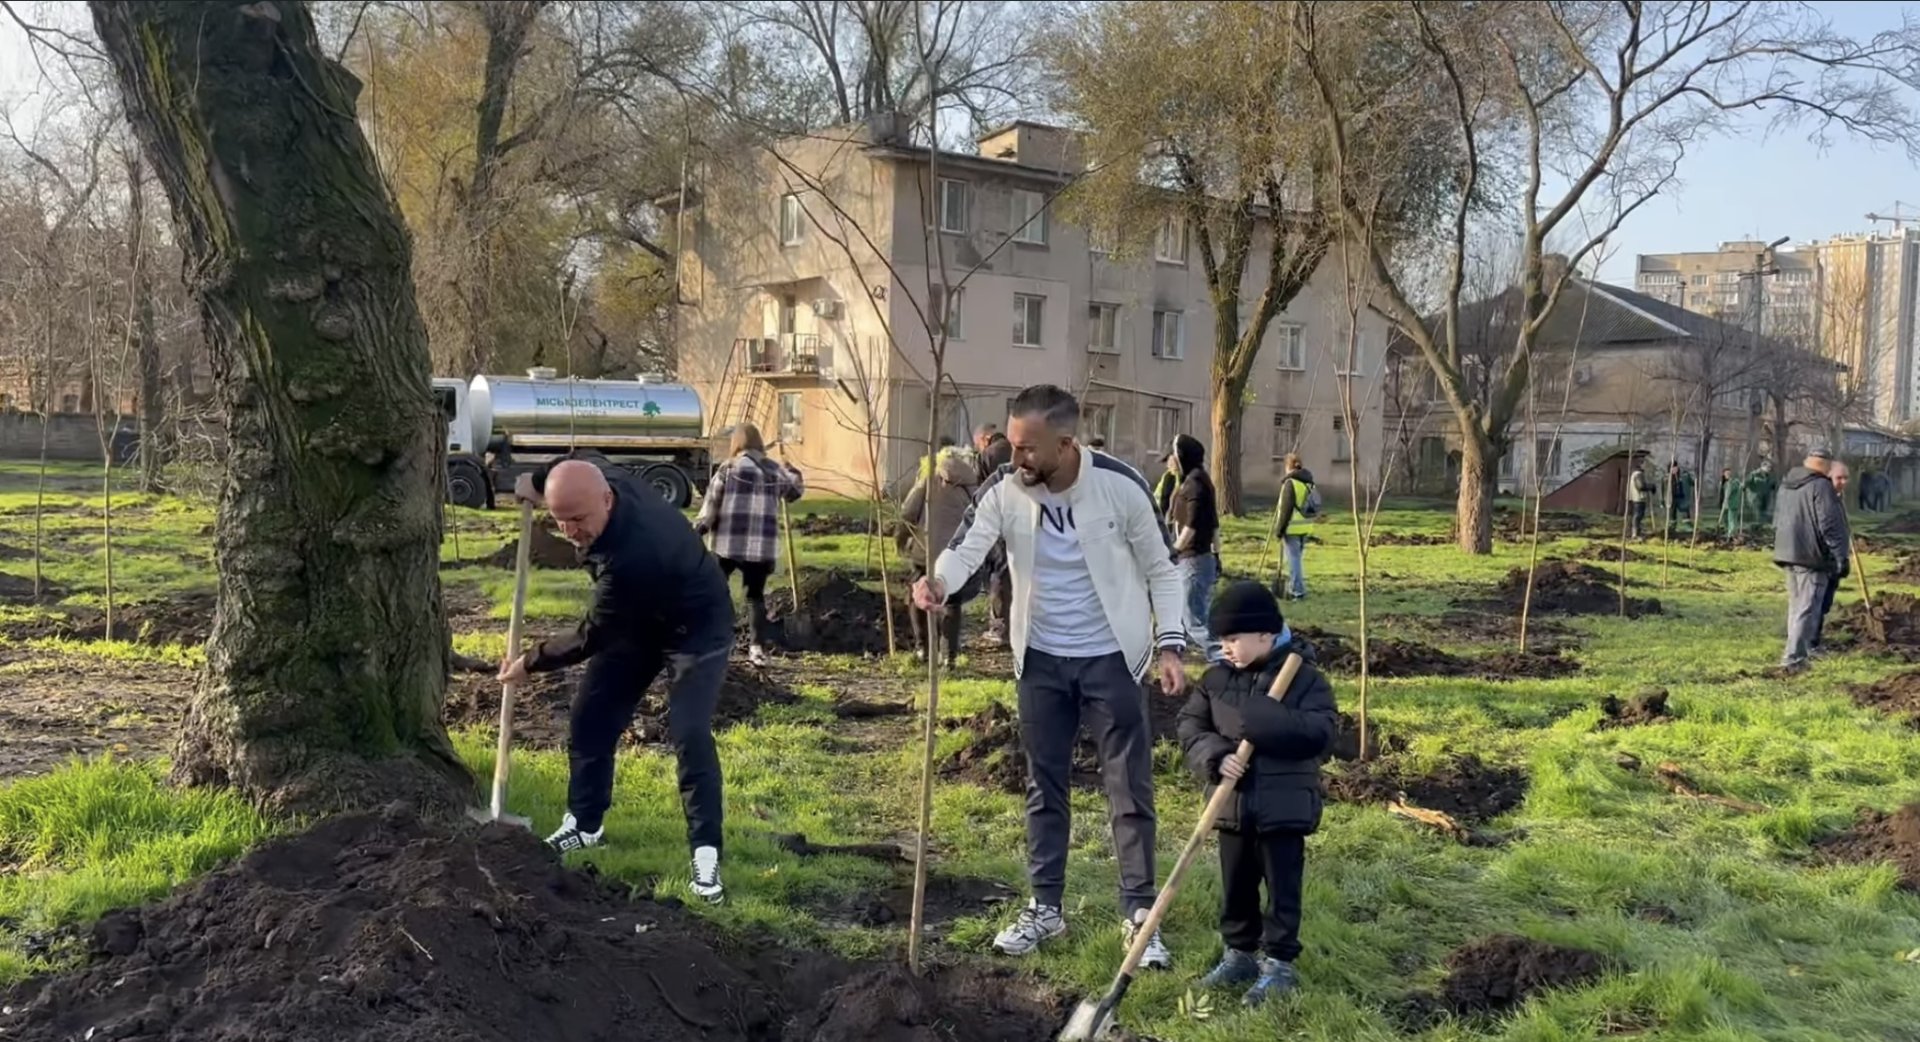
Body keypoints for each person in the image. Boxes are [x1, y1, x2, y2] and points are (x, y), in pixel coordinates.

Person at [913, 384, 1188, 967]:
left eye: (1028, 449)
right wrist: (939, 582)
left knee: (1127, 787)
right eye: (1011, 447)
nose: (1015, 460)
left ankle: (1140, 916)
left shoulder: (1120, 486)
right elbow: (968, 548)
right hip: (1038, 659)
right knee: (1045, 786)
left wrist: (1169, 645)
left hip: (1113, 657)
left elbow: (1163, 568)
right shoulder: (1004, 488)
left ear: (1066, 444)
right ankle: (1045, 908)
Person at [499, 460, 733, 902]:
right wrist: (532, 482)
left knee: (689, 732)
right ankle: (585, 825)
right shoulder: (604, 476)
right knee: (592, 717)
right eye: (560, 520)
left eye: (579, 520)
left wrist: (530, 662)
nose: (569, 532)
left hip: (696, 626)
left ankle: (706, 855)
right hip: (636, 624)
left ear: (607, 500)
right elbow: (569, 463)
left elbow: (592, 635)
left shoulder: (635, 556)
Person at [1178, 581, 1335, 1007]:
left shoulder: (1303, 679)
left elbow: (1321, 734)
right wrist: (1216, 757)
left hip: (1284, 808)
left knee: (1282, 887)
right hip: (1232, 805)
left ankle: (1280, 963)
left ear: (1266, 634)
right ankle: (1239, 954)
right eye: (1221, 640)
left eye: (1234, 639)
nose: (1226, 648)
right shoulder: (1215, 680)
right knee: (1237, 886)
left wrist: (1271, 722)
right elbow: (1191, 728)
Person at [693, 423, 805, 667]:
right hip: (761, 549)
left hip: (727, 544)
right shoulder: (773, 470)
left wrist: (698, 530)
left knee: (714, 590)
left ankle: (712, 643)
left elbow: (710, 507)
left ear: (737, 443)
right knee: (755, 597)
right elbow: (795, 493)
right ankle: (757, 650)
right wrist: (791, 468)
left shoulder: (728, 468)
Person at [901, 442, 980, 666]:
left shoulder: (928, 479)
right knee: (952, 603)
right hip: (956, 554)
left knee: (917, 597)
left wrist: (902, 537)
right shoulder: (971, 484)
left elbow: (908, 511)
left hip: (925, 550)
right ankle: (949, 657)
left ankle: (923, 650)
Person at [1772, 449, 1849, 672]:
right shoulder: (1821, 486)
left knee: (1797, 607)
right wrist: (1840, 556)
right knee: (1807, 608)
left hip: (1788, 552)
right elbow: (1829, 525)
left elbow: (1777, 518)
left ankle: (1799, 653)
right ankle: (1793, 659)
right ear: (1823, 465)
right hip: (1812, 557)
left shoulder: (1788, 484)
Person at [1169, 435, 1223, 663]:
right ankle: (1176, 654)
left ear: (1182, 458)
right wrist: (1218, 554)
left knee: (1194, 620)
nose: (1169, 462)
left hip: (1193, 560)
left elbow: (1191, 525)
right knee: (1185, 613)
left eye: (1172, 457)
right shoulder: (1199, 480)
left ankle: (1224, 659)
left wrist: (1173, 550)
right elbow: (1214, 525)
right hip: (1199, 559)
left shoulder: (1195, 485)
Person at [1812, 460, 1852, 655]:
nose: (1843, 481)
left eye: (1846, 478)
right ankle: (1810, 643)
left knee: (1825, 603)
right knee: (1816, 603)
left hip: (1834, 560)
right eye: (1839, 477)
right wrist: (1838, 556)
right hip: (1822, 559)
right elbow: (1826, 530)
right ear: (1829, 477)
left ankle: (1815, 640)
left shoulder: (1837, 498)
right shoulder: (1824, 499)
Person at [979, 430, 1014, 648]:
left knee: (999, 573)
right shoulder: (1020, 451)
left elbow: (980, 489)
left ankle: (999, 627)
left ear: (985, 438)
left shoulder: (987, 456)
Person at [1273, 454, 1316, 600]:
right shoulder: (1309, 483)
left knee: (1294, 561)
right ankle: (1293, 588)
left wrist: (1279, 531)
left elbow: (1286, 510)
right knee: (1297, 560)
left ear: (1288, 467)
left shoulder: (1290, 484)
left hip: (1291, 528)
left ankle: (1298, 591)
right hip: (1306, 527)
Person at [1627, 461, 1651, 539]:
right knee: (1638, 515)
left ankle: (1637, 532)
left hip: (1636, 497)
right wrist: (1650, 487)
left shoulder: (1634, 474)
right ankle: (1636, 533)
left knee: (1637, 515)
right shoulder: (1638, 474)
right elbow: (1641, 486)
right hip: (1639, 497)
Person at [1717, 466, 1743, 536]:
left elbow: (1738, 488)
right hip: (1724, 505)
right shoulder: (1722, 483)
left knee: (1732, 520)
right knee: (1726, 520)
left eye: (1729, 473)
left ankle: (1731, 533)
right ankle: (1727, 532)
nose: (1728, 475)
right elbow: (1721, 494)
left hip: (1732, 504)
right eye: (1726, 473)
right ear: (1723, 474)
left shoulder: (1734, 482)